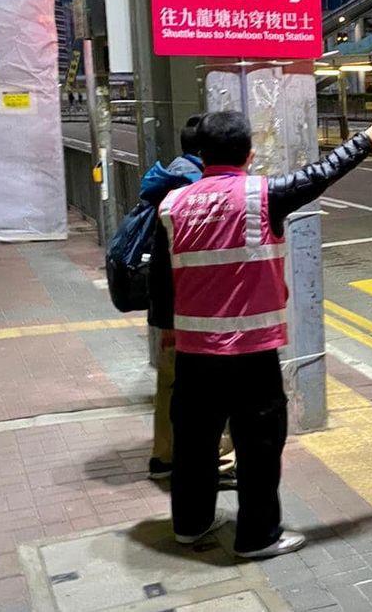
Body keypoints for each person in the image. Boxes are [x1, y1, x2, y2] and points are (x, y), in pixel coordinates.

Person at [150, 106, 372, 557]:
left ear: (200, 154)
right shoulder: (261, 196)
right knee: (259, 447)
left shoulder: (172, 204)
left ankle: (190, 525)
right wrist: (371, 134)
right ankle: (257, 536)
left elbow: (161, 276)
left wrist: (168, 333)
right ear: (249, 155)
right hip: (252, 355)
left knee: (194, 445)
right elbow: (322, 173)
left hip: (195, 354)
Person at [142, 115, 205, 480]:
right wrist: (169, 321)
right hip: (183, 311)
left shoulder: (172, 175)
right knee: (191, 387)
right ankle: (205, 461)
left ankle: (163, 457)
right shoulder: (188, 186)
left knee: (169, 385)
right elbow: (169, 260)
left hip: (171, 308)